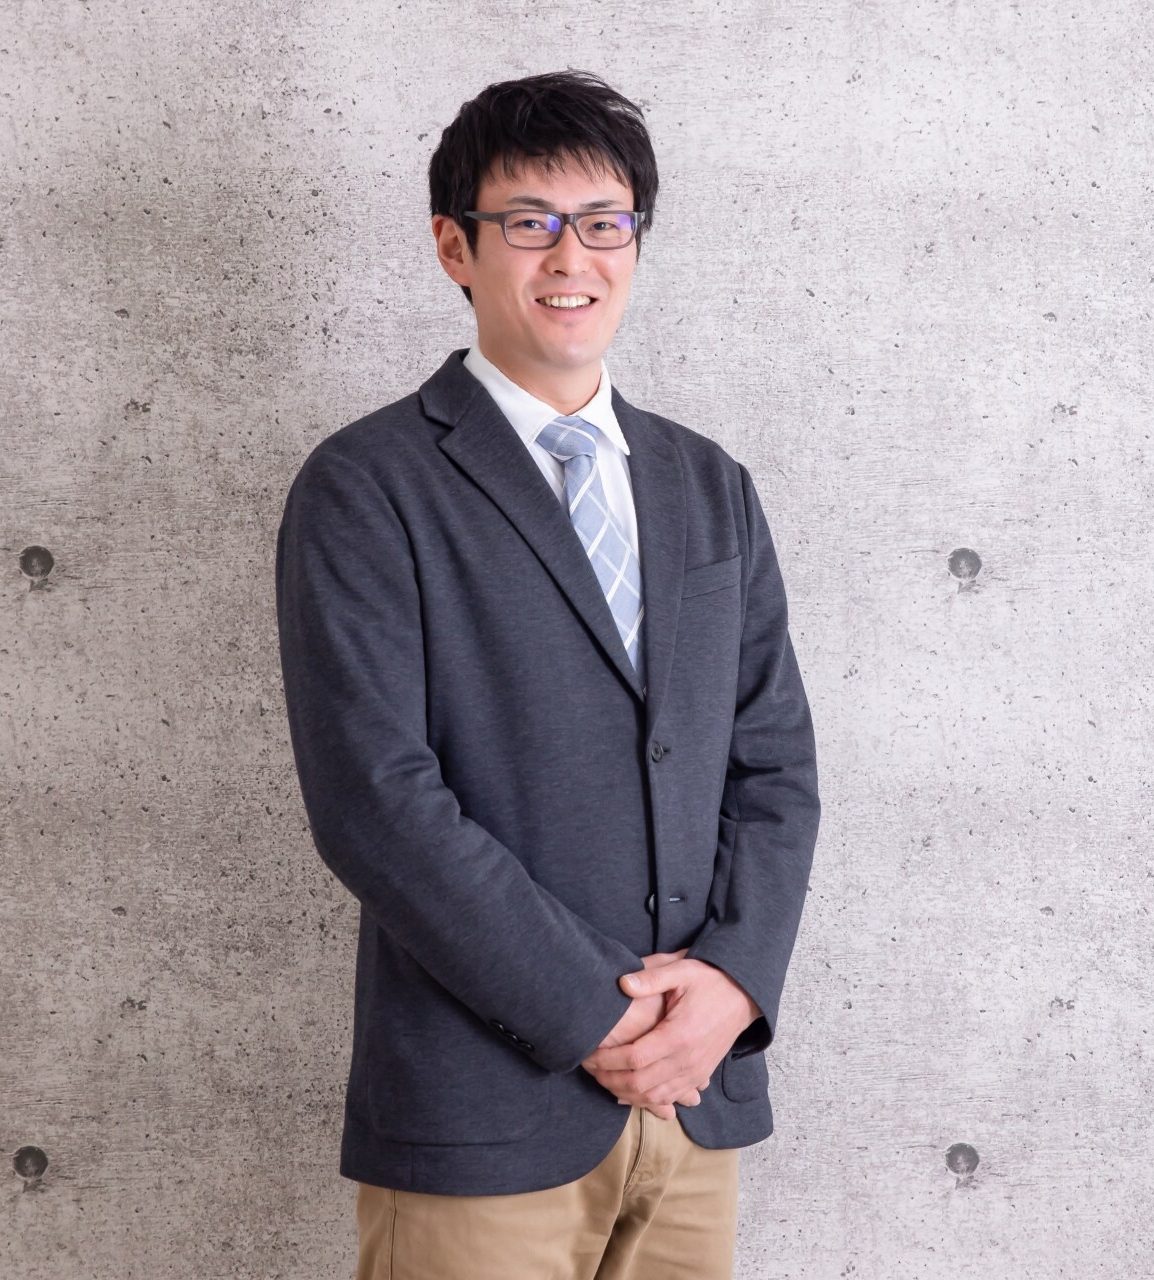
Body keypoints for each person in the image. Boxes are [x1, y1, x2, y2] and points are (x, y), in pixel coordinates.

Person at [272, 69, 820, 1279]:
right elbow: (376, 801)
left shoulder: (709, 485)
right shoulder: (367, 486)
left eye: (604, 222)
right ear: (454, 248)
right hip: (484, 1109)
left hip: (693, 1101)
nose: (572, 256)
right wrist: (599, 1013)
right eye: (529, 221)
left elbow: (773, 764)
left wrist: (732, 985)